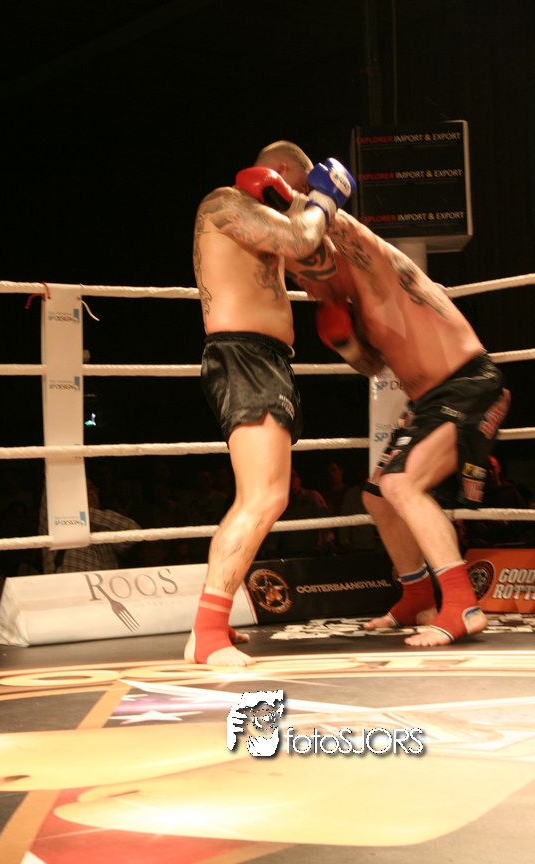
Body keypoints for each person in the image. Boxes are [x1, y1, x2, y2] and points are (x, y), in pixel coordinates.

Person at [295, 166, 511, 647]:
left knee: (401, 483)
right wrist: (347, 342)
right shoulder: (354, 306)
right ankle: (417, 597)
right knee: (377, 495)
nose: (304, 289)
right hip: (432, 401)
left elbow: (333, 215)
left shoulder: (374, 264)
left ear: (324, 254)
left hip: (468, 385)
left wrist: (300, 193)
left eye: (301, 274)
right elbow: (374, 368)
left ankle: (463, 605)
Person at [185, 141, 353, 666]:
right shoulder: (224, 204)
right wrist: (322, 199)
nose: (299, 198)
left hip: (268, 360)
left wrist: (307, 211)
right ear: (281, 172)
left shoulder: (265, 223)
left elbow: (318, 261)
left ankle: (210, 625)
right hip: (244, 355)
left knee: (261, 497)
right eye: (300, 186)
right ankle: (206, 634)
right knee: (264, 497)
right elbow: (304, 238)